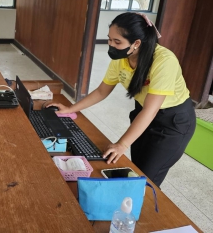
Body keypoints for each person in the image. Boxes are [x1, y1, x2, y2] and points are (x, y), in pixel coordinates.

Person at [48, 12, 195, 188]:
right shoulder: (122, 59)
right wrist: (71, 109)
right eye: (109, 39)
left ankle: (142, 211)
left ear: (136, 43)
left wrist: (122, 144)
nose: (111, 45)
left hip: (172, 123)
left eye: (117, 42)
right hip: (143, 114)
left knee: (146, 180)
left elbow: (151, 109)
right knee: (136, 170)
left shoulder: (164, 61)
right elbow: (102, 91)